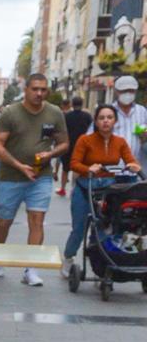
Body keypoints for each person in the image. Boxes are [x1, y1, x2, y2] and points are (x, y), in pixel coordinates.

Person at [0, 74, 70, 286]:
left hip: (40, 175)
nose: (39, 93)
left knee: (37, 220)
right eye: (35, 89)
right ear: (26, 89)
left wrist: (50, 155)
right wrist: (18, 165)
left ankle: (30, 269)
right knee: (4, 221)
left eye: (43, 89)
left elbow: (64, 143)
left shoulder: (54, 113)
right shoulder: (11, 113)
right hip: (11, 176)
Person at [61, 104, 143, 278]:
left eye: (109, 118)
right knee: (79, 227)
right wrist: (88, 168)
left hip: (108, 190)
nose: (106, 121)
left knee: (104, 227)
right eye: (101, 118)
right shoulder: (85, 140)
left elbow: (130, 160)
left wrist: (134, 166)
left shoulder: (120, 142)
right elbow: (74, 163)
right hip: (86, 187)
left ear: (115, 121)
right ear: (96, 122)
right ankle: (68, 257)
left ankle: (100, 263)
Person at [96, 75, 147, 164]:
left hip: (136, 170)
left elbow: (144, 134)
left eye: (130, 90)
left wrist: (144, 135)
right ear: (116, 91)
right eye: (124, 91)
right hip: (110, 169)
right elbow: (92, 137)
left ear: (135, 91)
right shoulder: (107, 111)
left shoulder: (142, 111)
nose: (127, 94)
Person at [61, 97, 92, 197]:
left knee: (65, 168)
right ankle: (74, 188)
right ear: (82, 104)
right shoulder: (87, 116)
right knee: (78, 168)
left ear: (72, 104)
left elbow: (63, 130)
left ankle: (63, 188)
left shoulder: (67, 116)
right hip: (83, 145)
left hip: (68, 144)